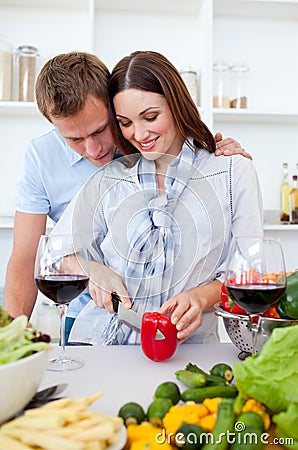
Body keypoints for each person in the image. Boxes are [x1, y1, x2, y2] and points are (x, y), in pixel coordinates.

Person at [3, 51, 250, 334]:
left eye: (101, 130)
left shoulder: (145, 144)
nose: (93, 150)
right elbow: (29, 257)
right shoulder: (42, 157)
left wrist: (219, 156)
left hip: (168, 324)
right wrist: (10, 343)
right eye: (74, 139)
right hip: (83, 309)